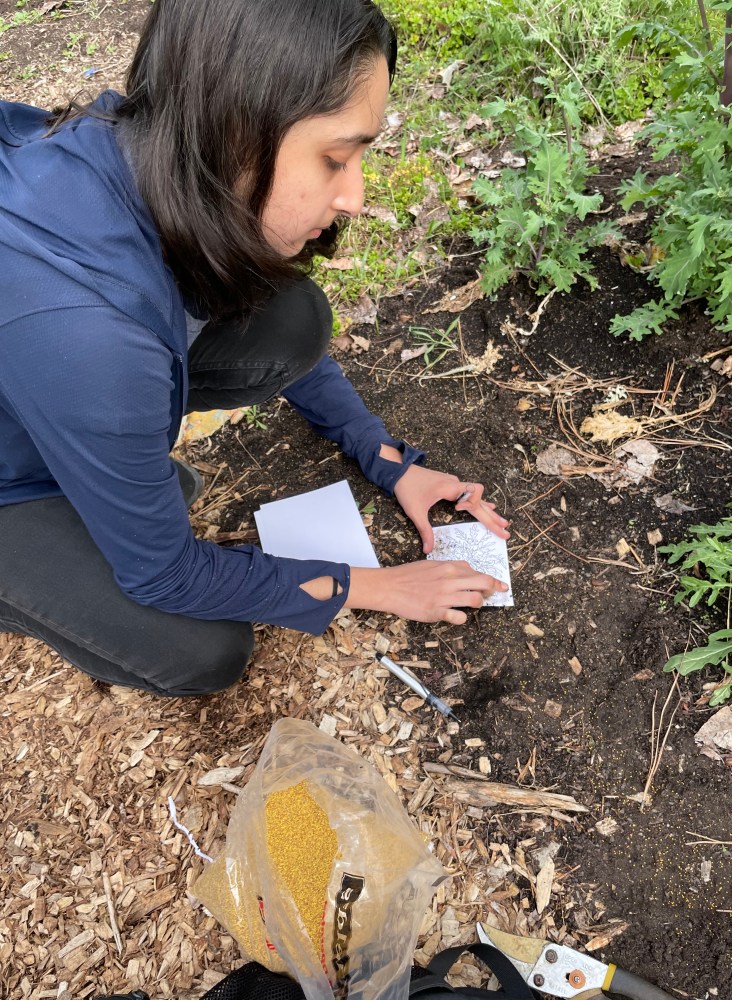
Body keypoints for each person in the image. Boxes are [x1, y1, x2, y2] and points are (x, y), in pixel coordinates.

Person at [0, 0, 510, 697]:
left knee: (291, 317)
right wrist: (380, 586)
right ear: (233, 130)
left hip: (49, 378)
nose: (356, 196)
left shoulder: (150, 149)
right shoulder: (95, 340)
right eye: (335, 158)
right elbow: (165, 572)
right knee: (199, 648)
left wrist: (385, 459)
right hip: (15, 464)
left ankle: (98, 467)